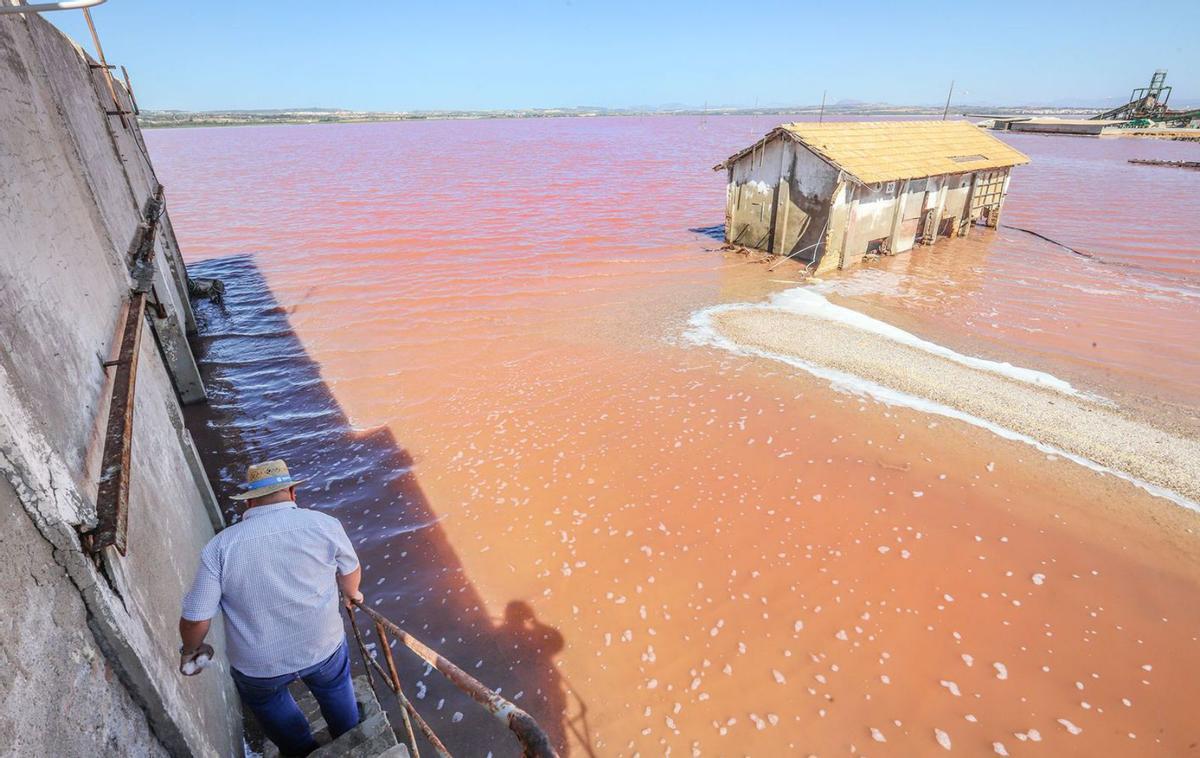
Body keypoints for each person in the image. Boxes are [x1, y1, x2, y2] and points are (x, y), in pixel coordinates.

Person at [179, 459, 365, 756]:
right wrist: (351, 594)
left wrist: (191, 651)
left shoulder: (219, 547)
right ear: (293, 493)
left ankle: (302, 749)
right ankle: (350, 735)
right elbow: (350, 570)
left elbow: (196, 618)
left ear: (249, 502)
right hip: (321, 643)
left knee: (267, 702)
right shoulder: (324, 524)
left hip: (258, 663)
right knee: (334, 687)